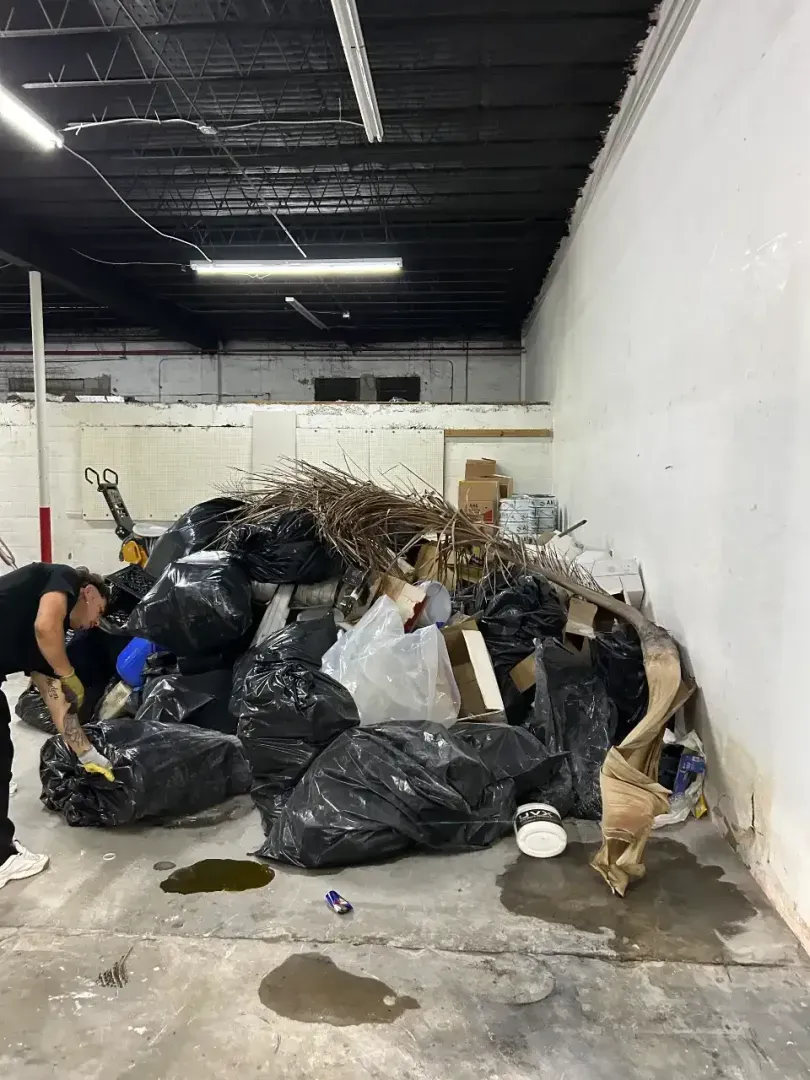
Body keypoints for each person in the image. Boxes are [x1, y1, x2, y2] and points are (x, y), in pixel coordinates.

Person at [0, 563, 114, 889]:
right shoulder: (65, 577)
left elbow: (57, 704)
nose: (95, 623)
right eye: (99, 612)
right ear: (88, 593)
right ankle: (2, 859)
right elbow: (46, 626)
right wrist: (69, 674)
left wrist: (87, 753)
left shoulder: (45, 646)